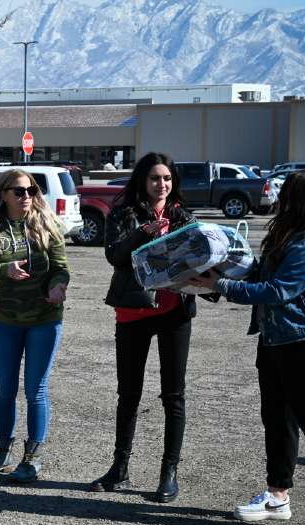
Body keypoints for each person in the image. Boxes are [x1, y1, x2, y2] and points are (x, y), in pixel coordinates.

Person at [189, 170, 305, 525]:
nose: (279, 197)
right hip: (276, 339)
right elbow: (259, 273)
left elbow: (277, 290)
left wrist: (220, 284)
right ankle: (277, 496)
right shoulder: (288, 233)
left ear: (301, 200)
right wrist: (222, 265)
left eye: (287, 193)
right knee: (278, 418)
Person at [90, 151, 196, 502]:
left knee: (173, 395)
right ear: (142, 181)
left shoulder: (183, 215)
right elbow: (114, 256)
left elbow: (198, 257)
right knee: (129, 394)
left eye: (166, 179)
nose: (161, 185)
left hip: (174, 311)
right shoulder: (123, 213)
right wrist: (142, 234)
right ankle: (120, 468)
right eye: (154, 178)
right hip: (133, 312)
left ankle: (169, 473)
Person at [0, 169, 70, 482]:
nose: (26, 196)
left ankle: (32, 458)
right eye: (18, 191)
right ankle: (2, 451)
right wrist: (4, 270)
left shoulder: (47, 225)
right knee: (5, 389)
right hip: (6, 320)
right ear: (4, 194)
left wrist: (58, 286)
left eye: (30, 190)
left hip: (44, 319)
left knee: (36, 390)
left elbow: (61, 269)